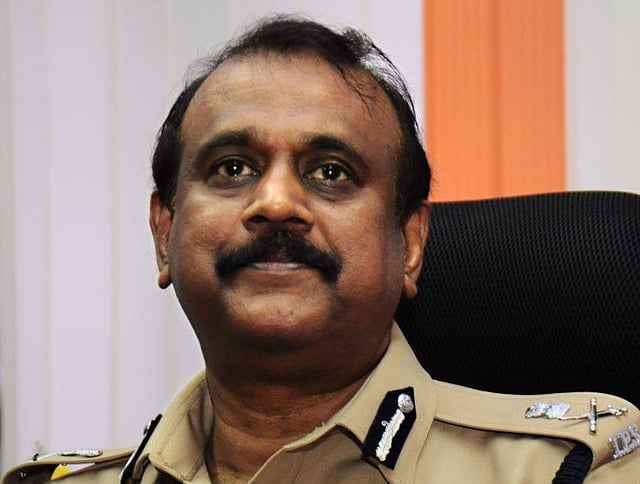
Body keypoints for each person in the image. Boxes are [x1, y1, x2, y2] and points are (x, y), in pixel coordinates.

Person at [4, 14, 639, 484]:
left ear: (409, 243)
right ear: (163, 233)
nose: (276, 202)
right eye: (232, 168)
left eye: (331, 172)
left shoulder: (574, 471)